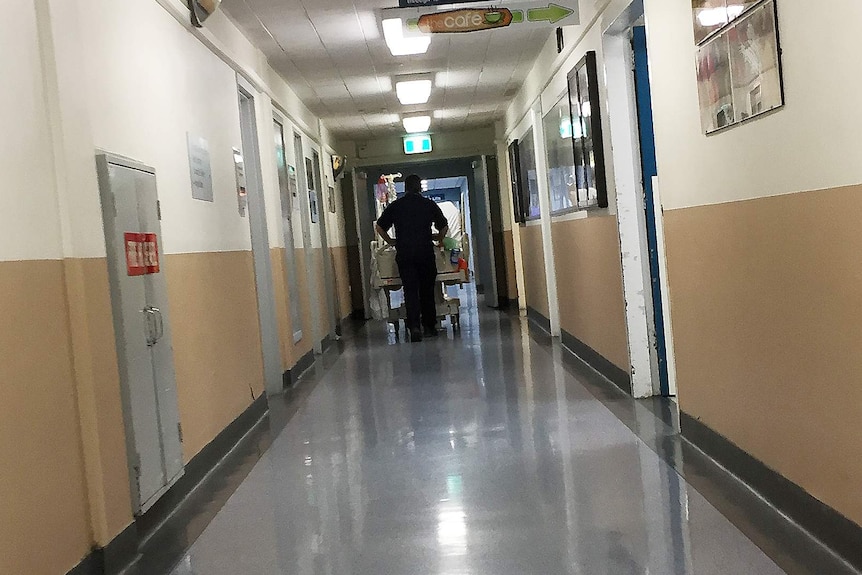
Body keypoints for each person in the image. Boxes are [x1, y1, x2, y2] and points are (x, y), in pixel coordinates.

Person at [376, 174, 449, 342]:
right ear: (420, 188)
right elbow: (443, 226)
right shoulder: (428, 205)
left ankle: (414, 327)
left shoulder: (396, 206)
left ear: (405, 188)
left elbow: (379, 227)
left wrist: (391, 241)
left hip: (405, 253)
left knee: (410, 291)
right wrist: (438, 238)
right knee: (427, 291)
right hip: (425, 252)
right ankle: (429, 327)